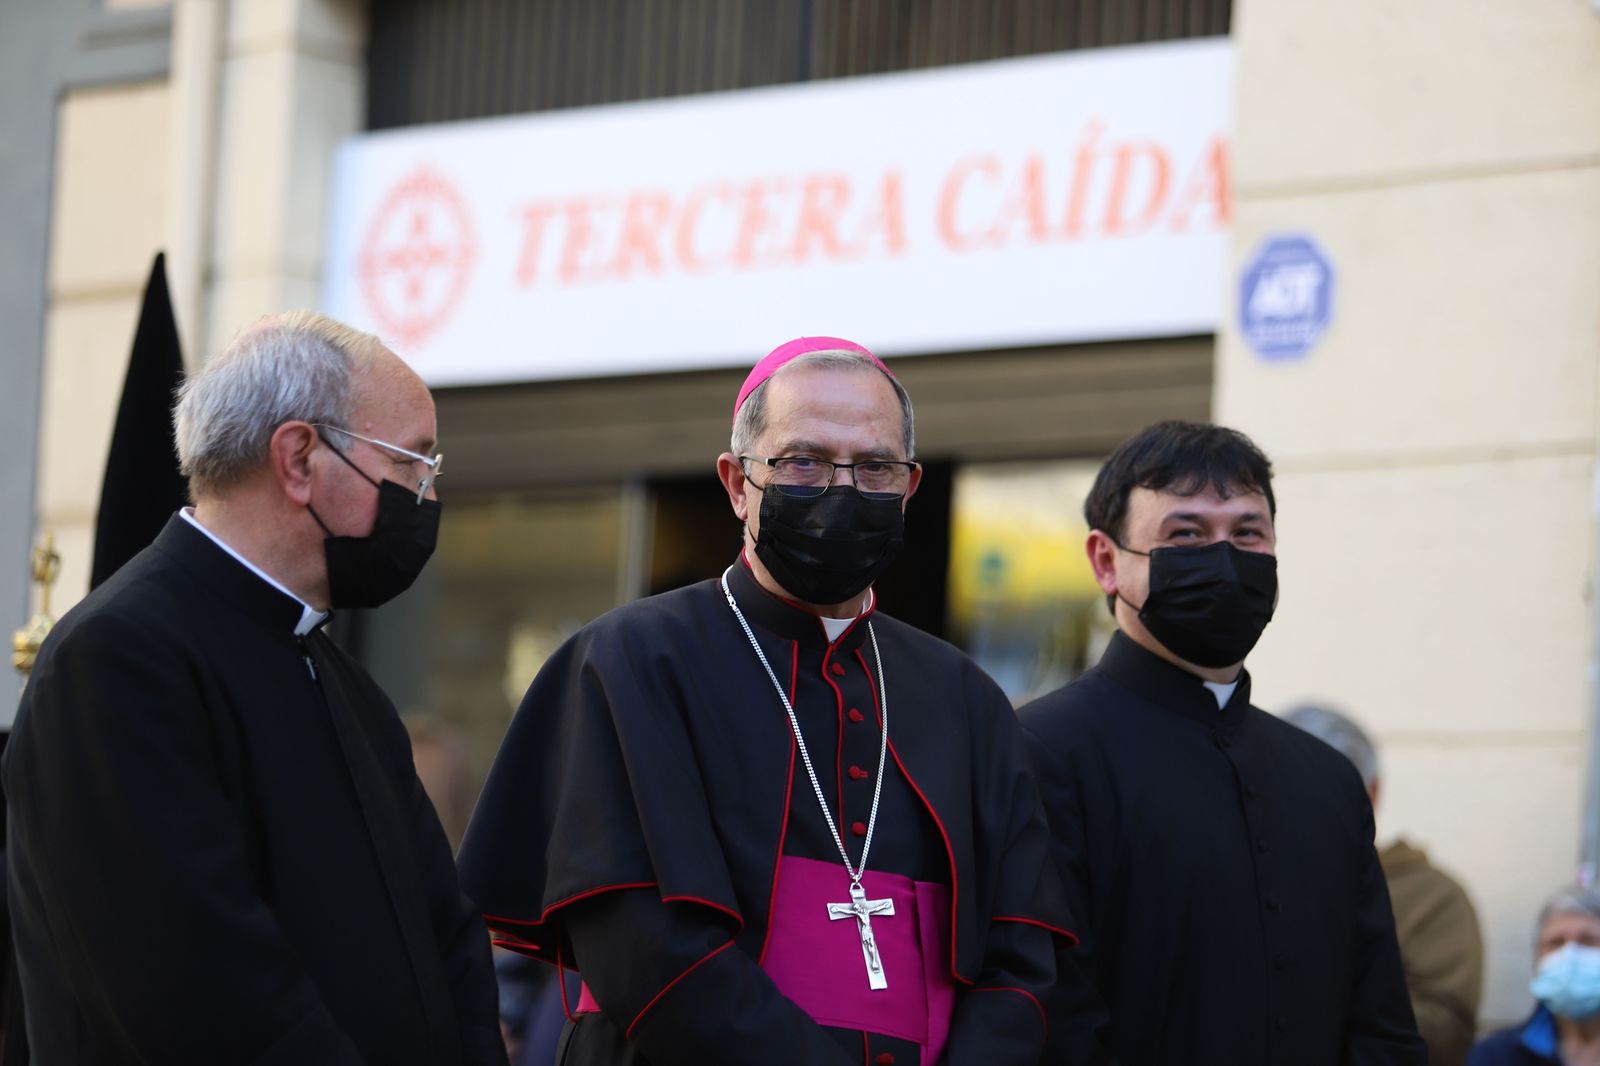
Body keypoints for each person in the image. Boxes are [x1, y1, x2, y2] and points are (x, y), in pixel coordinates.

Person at [458, 337, 1077, 1065]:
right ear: (737, 482)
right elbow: (640, 943)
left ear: (909, 488)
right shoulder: (634, 659)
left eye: (875, 465)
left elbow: (1020, 958)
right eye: (803, 461)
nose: (842, 488)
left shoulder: (964, 695)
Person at [3, 311, 507, 1065]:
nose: (426, 499)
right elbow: (195, 989)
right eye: (411, 465)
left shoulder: (345, 685)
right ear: (300, 458)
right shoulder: (117, 659)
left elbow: (447, 941)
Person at [1019, 420, 1425, 1066]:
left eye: (1247, 533)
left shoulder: (1328, 779)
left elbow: (1381, 1024)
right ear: (1105, 561)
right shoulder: (1037, 753)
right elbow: (1044, 1017)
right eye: (1186, 534)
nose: (1225, 559)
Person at [1285, 704, 1485, 1066]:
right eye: (1283, 788)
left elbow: (1446, 1031)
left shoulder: (1432, 899)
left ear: (1371, 793)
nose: (1299, 807)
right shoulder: (1223, 877)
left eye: (1320, 790)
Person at [1469, 885, 1600, 1066]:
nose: (1570, 955)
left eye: (1588, 940)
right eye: (1556, 943)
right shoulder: (1495, 1056)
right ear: (1537, 958)